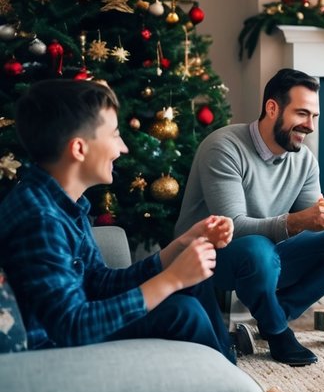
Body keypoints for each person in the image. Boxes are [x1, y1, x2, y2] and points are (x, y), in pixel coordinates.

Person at [0, 79, 232, 358]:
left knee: (195, 278)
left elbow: (98, 282)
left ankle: (241, 389)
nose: (122, 148)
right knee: (183, 312)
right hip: (50, 348)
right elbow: (71, 326)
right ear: (79, 149)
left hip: (72, 327)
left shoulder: (64, 202)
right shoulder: (40, 219)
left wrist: (179, 248)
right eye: (114, 135)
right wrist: (170, 279)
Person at [175, 68, 324, 366]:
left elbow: (318, 222)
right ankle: (277, 330)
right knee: (257, 248)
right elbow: (232, 226)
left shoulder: (304, 159)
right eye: (302, 114)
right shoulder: (224, 147)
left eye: (314, 117)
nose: (309, 126)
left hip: (267, 255)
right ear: (272, 108)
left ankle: (277, 311)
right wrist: (299, 221)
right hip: (210, 255)